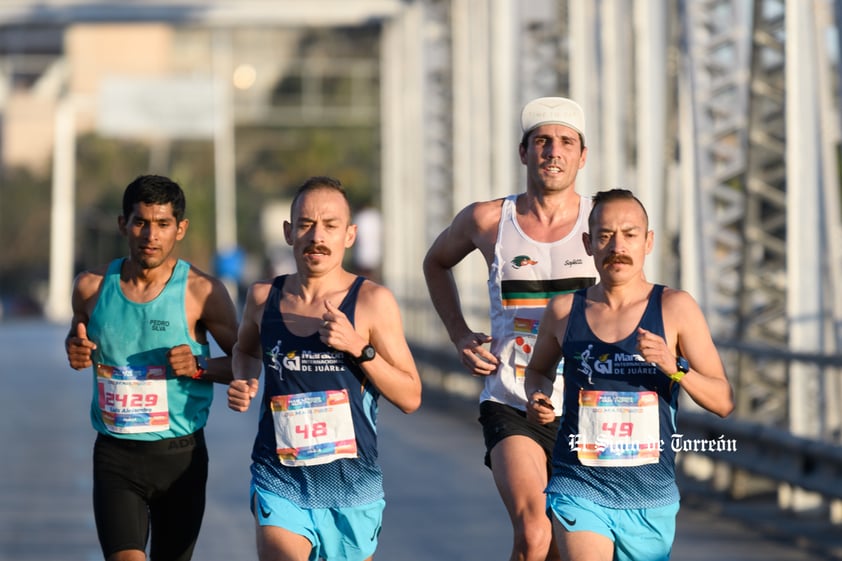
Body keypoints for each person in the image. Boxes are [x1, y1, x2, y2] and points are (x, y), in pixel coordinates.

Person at [422, 96, 598, 561]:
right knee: (535, 533)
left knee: (568, 542)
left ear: (583, 156)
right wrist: (459, 333)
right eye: (542, 142)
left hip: (588, 409)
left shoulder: (604, 225)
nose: (553, 152)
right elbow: (436, 262)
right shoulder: (487, 219)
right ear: (524, 153)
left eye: (565, 142)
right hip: (511, 400)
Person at [524, 188, 734, 561]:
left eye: (630, 234)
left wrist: (675, 368)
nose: (617, 246)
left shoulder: (675, 308)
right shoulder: (562, 311)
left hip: (650, 494)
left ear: (648, 241)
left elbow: (722, 401)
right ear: (588, 244)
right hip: (579, 484)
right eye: (604, 235)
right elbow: (538, 371)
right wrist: (538, 397)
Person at [227, 176, 422, 561]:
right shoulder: (264, 297)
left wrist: (359, 348)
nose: (317, 236)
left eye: (330, 226)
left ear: (349, 235)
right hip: (279, 478)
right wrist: (244, 377)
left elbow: (411, 396)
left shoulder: (371, 302)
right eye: (305, 224)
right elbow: (245, 350)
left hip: (352, 487)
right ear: (289, 233)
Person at [65, 174, 239, 561]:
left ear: (181, 229)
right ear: (123, 223)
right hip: (115, 454)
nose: (151, 235)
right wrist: (74, 349)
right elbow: (79, 339)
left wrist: (198, 365)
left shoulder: (202, 292)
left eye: (163, 224)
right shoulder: (91, 287)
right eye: (141, 222)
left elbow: (246, 363)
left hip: (180, 457)